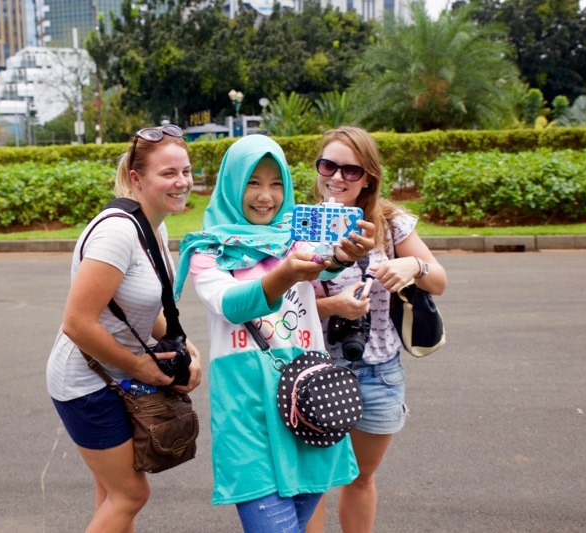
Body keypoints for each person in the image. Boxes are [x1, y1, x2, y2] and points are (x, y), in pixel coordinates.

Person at [173, 134, 363, 533]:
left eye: (276, 183)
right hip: (246, 407)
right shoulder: (207, 250)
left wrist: (342, 256)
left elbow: (326, 263)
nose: (266, 196)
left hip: (310, 398)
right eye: (253, 183)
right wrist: (288, 272)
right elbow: (231, 304)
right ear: (232, 185)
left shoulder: (295, 238)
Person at [46, 124, 202, 532]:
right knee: (131, 495)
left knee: (111, 495)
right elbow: (77, 323)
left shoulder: (155, 224)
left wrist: (187, 348)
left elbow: (143, 308)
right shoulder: (117, 233)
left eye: (185, 171)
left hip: (116, 376)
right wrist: (138, 367)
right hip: (85, 382)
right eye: (168, 173)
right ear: (137, 178)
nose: (182, 181)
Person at [305, 126, 448, 533]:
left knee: (360, 477)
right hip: (315, 371)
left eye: (351, 170)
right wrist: (335, 305)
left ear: (369, 176)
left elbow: (438, 281)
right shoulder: (304, 223)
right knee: (313, 483)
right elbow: (285, 311)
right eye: (328, 165)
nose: (337, 177)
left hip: (379, 371)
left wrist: (413, 266)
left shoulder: (390, 221)